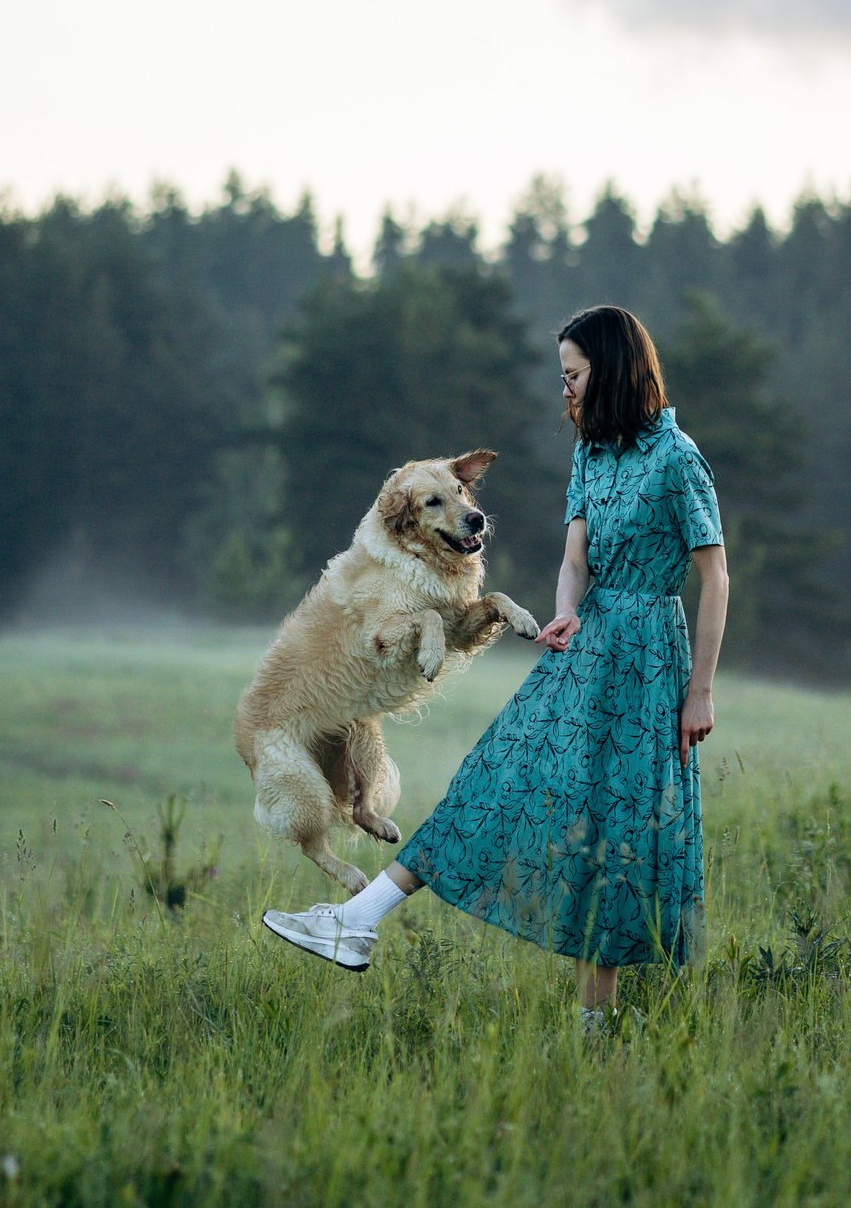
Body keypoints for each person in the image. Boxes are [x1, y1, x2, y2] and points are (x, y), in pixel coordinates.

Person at [260, 303, 729, 1031]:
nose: (564, 390)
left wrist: (699, 691)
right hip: (586, 645)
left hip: (649, 663)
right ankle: (359, 918)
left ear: (612, 370)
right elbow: (574, 559)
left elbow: (716, 576)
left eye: (573, 375)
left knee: (613, 830)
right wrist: (564, 607)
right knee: (495, 778)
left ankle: (596, 1027)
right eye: (561, 376)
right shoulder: (590, 456)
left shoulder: (677, 458)